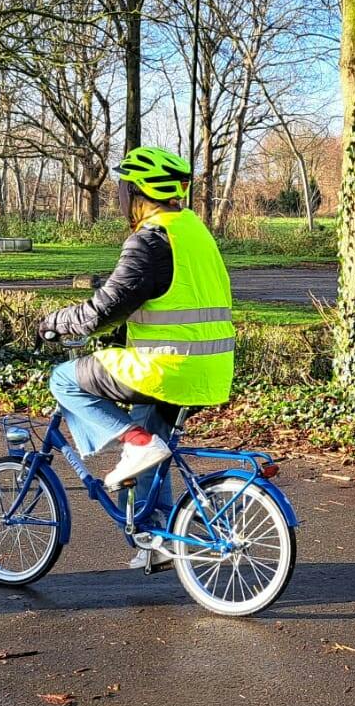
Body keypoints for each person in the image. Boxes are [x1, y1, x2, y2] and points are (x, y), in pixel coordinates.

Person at [38, 146, 235, 565]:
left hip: (167, 367)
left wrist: (59, 321)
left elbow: (107, 306)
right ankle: (159, 534)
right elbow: (169, 299)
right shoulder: (194, 232)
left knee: (64, 379)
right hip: (211, 368)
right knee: (153, 440)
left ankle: (134, 442)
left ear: (138, 192)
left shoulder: (150, 240)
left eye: (123, 188)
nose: (119, 196)